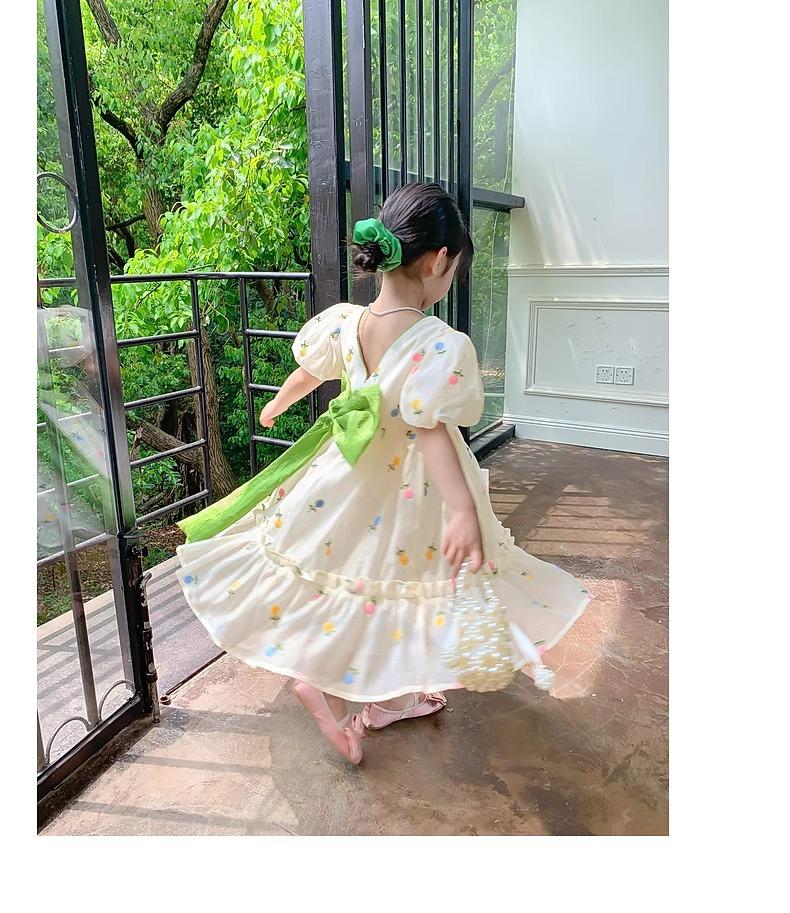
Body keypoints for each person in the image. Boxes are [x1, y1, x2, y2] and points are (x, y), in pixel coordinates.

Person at [175, 182, 590, 765]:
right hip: (411, 488)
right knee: (402, 586)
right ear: (439, 261)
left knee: (337, 574)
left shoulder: (346, 322)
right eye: (454, 270)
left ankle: (324, 679)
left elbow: (311, 372)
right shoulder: (438, 343)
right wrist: (463, 510)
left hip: (343, 475)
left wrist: (278, 404)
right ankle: (387, 700)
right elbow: (430, 430)